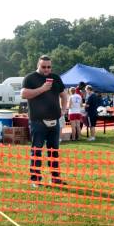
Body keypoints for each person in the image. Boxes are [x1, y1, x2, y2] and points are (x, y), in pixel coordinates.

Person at [21, 55, 68, 187]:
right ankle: (35, 180)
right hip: (37, 121)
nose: (47, 69)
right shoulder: (30, 78)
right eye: (43, 66)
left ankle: (55, 178)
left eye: (49, 67)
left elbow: (64, 95)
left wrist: (63, 110)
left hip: (54, 121)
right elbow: (23, 94)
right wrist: (42, 89)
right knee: (36, 150)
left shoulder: (56, 78)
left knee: (54, 151)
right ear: (38, 65)